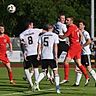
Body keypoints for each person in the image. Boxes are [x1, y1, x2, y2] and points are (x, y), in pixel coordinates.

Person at [59, 17, 90, 86]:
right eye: (66, 20)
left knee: (66, 62)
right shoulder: (75, 26)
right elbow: (81, 35)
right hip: (78, 46)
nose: (66, 21)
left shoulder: (71, 27)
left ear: (71, 21)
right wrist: (78, 41)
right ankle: (87, 77)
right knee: (79, 64)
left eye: (68, 20)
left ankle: (66, 78)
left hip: (73, 47)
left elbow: (64, 37)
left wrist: (57, 35)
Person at [34, 24, 60, 94]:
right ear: (52, 28)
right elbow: (55, 46)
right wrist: (56, 56)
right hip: (51, 56)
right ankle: (57, 88)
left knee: (44, 72)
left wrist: (38, 54)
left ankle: (37, 81)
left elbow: (39, 46)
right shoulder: (55, 35)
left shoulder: (41, 36)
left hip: (44, 56)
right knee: (55, 72)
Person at [19, 20, 42, 90]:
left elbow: (22, 44)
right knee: (36, 68)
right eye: (32, 25)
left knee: (26, 69)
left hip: (27, 53)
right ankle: (37, 85)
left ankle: (31, 84)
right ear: (30, 25)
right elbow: (44, 31)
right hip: (35, 52)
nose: (33, 26)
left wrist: (24, 53)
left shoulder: (22, 34)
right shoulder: (36, 30)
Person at [73, 20, 96, 86]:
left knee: (89, 68)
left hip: (86, 53)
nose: (79, 26)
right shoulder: (77, 32)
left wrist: (82, 46)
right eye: (79, 24)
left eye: (81, 24)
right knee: (79, 68)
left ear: (84, 26)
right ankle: (77, 83)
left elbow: (89, 41)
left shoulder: (85, 33)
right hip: (80, 53)